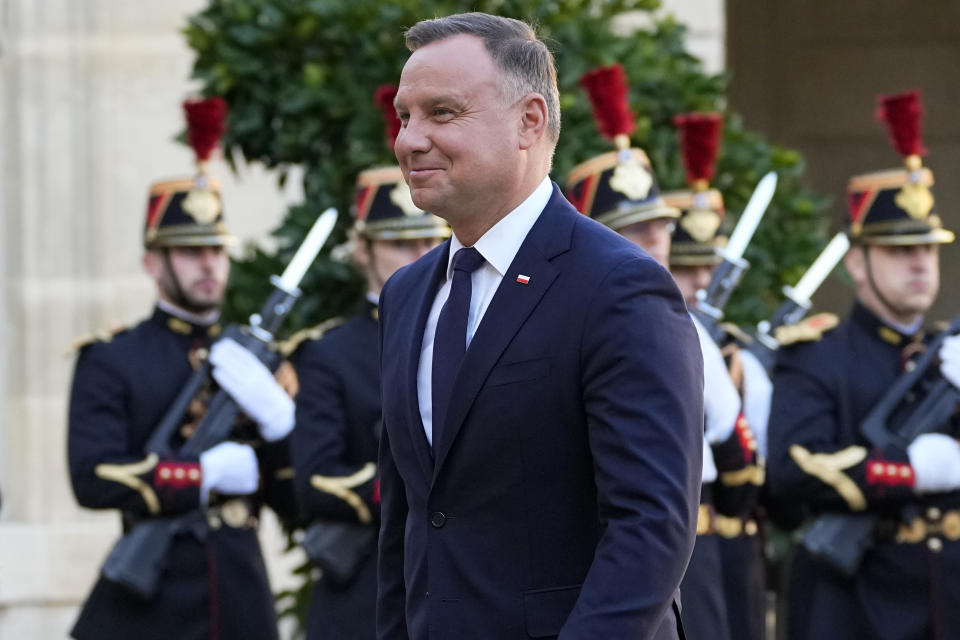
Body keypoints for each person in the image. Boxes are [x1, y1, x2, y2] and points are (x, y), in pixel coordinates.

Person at [378, 13, 703, 639]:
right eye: (404, 116)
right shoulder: (408, 293)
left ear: (529, 121)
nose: (410, 140)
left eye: (442, 113)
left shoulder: (617, 285)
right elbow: (408, 526)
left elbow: (651, 525)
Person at [67, 97, 296, 640]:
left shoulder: (255, 364)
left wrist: (282, 428)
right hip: (153, 602)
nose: (208, 265)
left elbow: (295, 500)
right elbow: (92, 476)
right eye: (189, 252)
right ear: (154, 263)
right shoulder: (112, 358)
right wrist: (201, 477)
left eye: (216, 251)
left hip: (240, 591)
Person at [767, 90, 960, 640]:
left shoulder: (947, 355)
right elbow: (791, 470)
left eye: (929, 249)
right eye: (900, 251)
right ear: (858, 262)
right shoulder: (817, 355)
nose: (920, 264)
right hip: (856, 609)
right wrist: (910, 470)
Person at [285, 87, 450, 640]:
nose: (420, 257)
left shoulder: (465, 328)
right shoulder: (329, 352)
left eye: (430, 240)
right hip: (363, 584)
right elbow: (315, 480)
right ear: (362, 252)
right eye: (399, 244)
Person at [663, 112, 768, 640]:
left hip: (724, 551)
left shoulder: (726, 351)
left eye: (708, 268)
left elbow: (745, 481)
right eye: (684, 268)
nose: (701, 283)